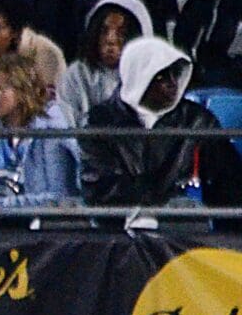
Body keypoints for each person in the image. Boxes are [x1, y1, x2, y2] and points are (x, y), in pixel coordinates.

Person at [80, 35, 242, 206]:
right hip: (116, 225)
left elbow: (230, 183)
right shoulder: (99, 120)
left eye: (175, 74)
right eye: (161, 77)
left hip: (184, 225)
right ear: (139, 78)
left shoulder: (197, 120)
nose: (172, 83)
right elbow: (98, 188)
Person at [0, 53, 79, 210]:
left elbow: (60, 199)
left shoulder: (51, 129)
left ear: (22, 91)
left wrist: (0, 205)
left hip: (45, 228)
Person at [56, 0, 147, 128]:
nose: (110, 40)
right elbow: (66, 124)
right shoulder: (76, 74)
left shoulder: (146, 77)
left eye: (121, 33)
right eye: (104, 31)